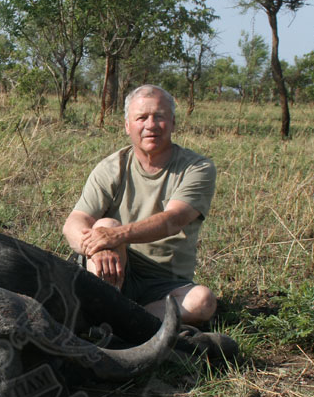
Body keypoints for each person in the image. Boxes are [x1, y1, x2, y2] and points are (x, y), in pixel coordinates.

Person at [63, 85, 218, 328]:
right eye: (141, 118)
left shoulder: (197, 168)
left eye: (159, 116)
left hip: (166, 281)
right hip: (115, 268)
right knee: (104, 224)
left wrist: (114, 235)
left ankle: (118, 321)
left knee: (203, 301)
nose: (151, 125)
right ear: (128, 126)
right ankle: (118, 319)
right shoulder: (112, 167)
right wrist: (96, 247)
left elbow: (173, 219)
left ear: (173, 122)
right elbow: (74, 222)